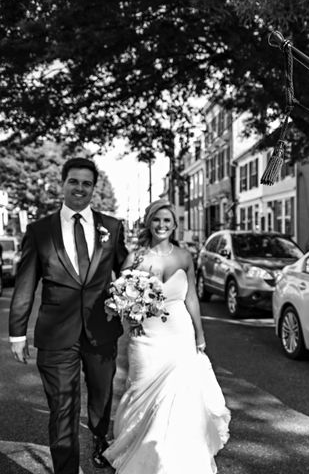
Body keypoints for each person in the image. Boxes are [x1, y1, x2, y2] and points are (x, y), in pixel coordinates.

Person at [9, 157, 129, 473]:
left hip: (101, 331)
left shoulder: (112, 227)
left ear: (93, 188)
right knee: (63, 408)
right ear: (62, 184)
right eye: (73, 181)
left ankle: (100, 440)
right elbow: (25, 283)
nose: (79, 188)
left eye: (86, 183)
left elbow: (127, 272)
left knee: (101, 400)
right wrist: (18, 333)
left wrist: (139, 298)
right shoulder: (39, 231)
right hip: (56, 335)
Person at [103, 199, 230, 474]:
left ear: (174, 225)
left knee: (181, 396)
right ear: (149, 222)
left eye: (167, 221)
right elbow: (120, 292)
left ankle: (178, 459)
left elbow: (192, 297)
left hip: (180, 334)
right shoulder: (136, 257)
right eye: (157, 220)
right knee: (140, 391)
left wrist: (199, 333)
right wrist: (129, 314)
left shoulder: (184, 256)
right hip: (146, 337)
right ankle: (136, 450)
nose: (162, 225)